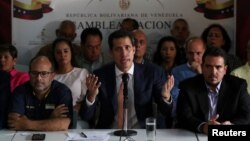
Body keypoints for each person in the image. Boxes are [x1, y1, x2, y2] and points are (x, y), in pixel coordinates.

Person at [80, 29, 174, 129]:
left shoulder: (151, 73)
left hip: (141, 133)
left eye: (127, 48)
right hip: (110, 133)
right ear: (111, 53)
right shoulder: (100, 75)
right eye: (118, 49)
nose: (124, 54)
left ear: (133, 50)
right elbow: (86, 116)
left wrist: (166, 97)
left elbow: (166, 112)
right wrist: (91, 97)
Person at [176, 47, 250, 134]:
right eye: (208, 66)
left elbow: (247, 115)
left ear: (225, 70)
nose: (213, 72)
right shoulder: (188, 86)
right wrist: (203, 126)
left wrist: (232, 125)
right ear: (202, 67)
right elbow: (183, 116)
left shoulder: (238, 86)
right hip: (195, 135)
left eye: (218, 67)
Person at [8, 55, 73, 131]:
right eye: (34, 73)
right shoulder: (20, 91)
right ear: (29, 74)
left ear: (52, 76)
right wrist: (51, 119)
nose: (38, 78)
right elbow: (13, 123)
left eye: (44, 73)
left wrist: (27, 124)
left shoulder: (62, 91)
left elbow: (63, 124)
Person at [51, 38, 89, 128]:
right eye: (58, 52)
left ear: (71, 52)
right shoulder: (50, 76)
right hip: (54, 118)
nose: (62, 55)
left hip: (78, 119)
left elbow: (88, 100)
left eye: (65, 51)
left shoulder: (81, 73)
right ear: (54, 55)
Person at [171, 37, 206, 108]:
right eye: (191, 53)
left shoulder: (211, 69)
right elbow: (175, 96)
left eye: (198, 53)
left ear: (204, 53)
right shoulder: (177, 71)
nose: (194, 57)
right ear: (186, 53)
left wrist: (200, 74)